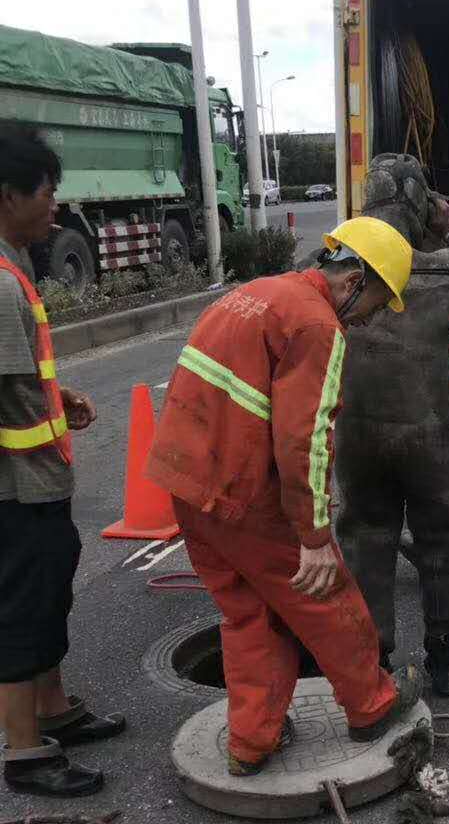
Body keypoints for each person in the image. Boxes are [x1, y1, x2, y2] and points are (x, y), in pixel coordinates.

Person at [146, 216, 422, 776]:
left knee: (249, 614)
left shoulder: (252, 295)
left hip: (187, 484)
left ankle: (252, 740)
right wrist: (315, 536)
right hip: (244, 493)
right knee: (327, 594)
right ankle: (371, 705)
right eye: (374, 303)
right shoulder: (317, 326)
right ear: (354, 280)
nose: (368, 318)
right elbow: (306, 441)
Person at [334, 154, 449, 697]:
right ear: (417, 207)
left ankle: (370, 665)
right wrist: (446, 228)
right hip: (426, 437)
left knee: (365, 538)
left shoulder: (329, 272)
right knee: (445, 538)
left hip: (356, 436)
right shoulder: (432, 272)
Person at [0, 123, 124, 798]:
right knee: (23, 606)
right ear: (8, 193)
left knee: (48, 592)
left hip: (34, 480)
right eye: (47, 190)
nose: (56, 203)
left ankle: (53, 710)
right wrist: (42, 434)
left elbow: (19, 383)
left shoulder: (13, 268)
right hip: (17, 490)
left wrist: (59, 396)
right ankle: (24, 750)